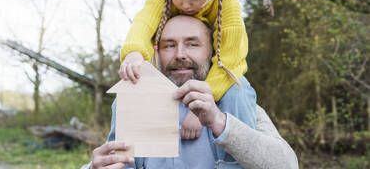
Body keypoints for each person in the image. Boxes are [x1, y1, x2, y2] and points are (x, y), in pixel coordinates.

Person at [87, 16, 298, 169]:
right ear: (157, 52)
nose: (180, 54)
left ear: (212, 52)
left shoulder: (236, 99)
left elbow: (287, 165)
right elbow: (115, 162)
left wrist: (219, 121)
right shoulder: (135, 103)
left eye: (192, 44)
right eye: (169, 45)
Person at [119, 0, 252, 140]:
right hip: (174, 75)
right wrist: (134, 53)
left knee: (238, 90)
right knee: (133, 84)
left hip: (216, 76)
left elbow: (230, 61)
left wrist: (198, 107)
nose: (185, 4)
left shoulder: (228, 4)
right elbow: (144, 23)